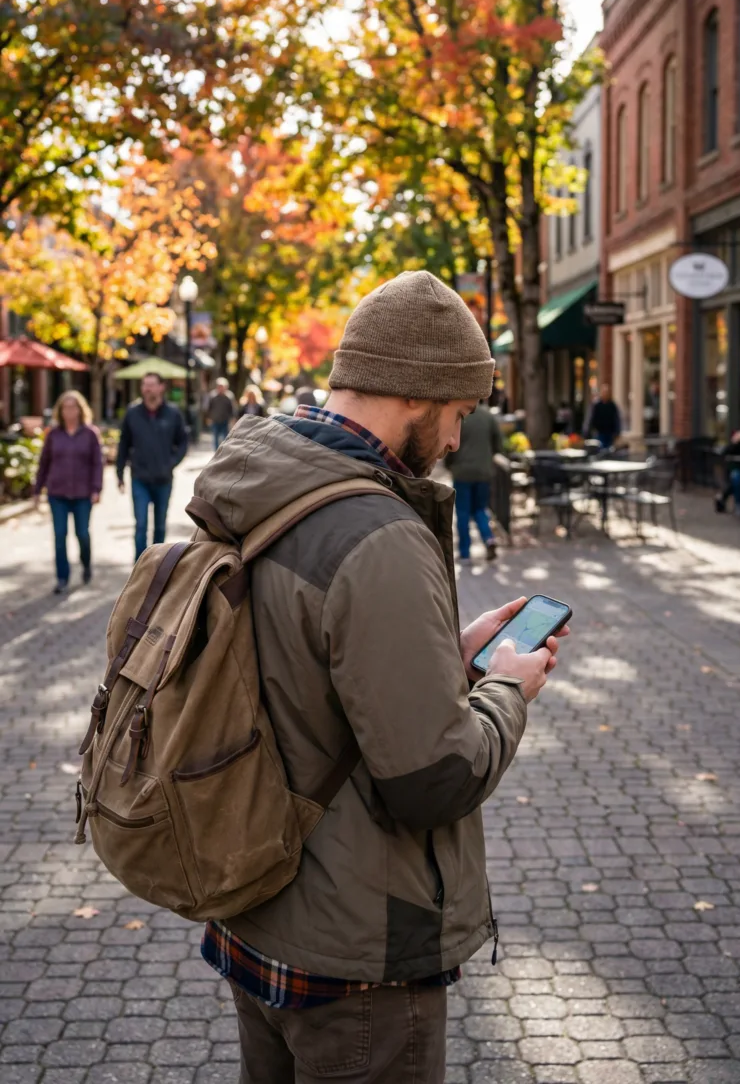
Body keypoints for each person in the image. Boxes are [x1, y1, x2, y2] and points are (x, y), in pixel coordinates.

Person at [195, 270, 568, 1083]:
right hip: (355, 951)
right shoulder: (378, 532)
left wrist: (449, 648)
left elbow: (310, 671)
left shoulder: (265, 482)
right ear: (418, 394)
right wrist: (508, 689)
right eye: (460, 414)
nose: (458, 442)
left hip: (255, 909)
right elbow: (432, 779)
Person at [33, 391, 102, 594]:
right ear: (60, 411)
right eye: (65, 407)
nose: (69, 411)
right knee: (60, 535)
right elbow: (44, 463)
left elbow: (97, 464)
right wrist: (37, 490)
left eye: (73, 407)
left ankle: (86, 563)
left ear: (81, 410)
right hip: (57, 493)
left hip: (82, 494)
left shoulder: (90, 434)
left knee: (82, 534)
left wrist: (96, 489)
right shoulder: (53, 434)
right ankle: (62, 578)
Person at [116, 372, 187, 561]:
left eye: (151, 385)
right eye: (144, 385)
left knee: (160, 526)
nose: (147, 389)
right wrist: (119, 473)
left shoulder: (173, 414)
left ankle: (157, 564)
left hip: (163, 479)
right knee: (140, 524)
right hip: (140, 478)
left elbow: (183, 442)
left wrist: (171, 463)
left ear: (161, 387)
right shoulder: (132, 413)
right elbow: (123, 445)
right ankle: (140, 565)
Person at [444, 401, 503, 562]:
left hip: (462, 471)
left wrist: (449, 464)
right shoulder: (489, 416)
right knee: (480, 509)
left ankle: (465, 552)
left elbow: (450, 442)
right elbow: (499, 444)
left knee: (462, 512)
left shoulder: (460, 416)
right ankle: (488, 539)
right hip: (483, 471)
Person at [584, 382, 622, 450]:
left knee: (608, 451)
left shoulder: (612, 405)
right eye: (604, 392)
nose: (605, 394)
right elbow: (590, 418)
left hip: (609, 433)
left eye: (607, 392)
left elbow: (617, 419)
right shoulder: (596, 405)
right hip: (598, 432)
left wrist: (617, 432)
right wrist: (586, 430)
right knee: (599, 450)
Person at [206, 377, 236, 449]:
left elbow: (232, 409)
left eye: (222, 387)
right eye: (219, 386)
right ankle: (216, 452)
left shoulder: (229, 396)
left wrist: (233, 419)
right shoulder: (212, 396)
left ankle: (224, 451)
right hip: (215, 420)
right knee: (215, 437)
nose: (220, 388)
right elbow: (209, 408)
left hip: (225, 420)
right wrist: (208, 418)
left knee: (225, 437)